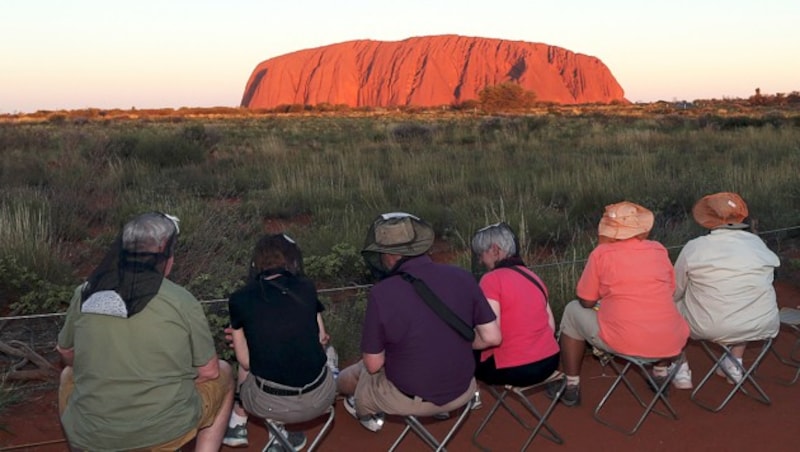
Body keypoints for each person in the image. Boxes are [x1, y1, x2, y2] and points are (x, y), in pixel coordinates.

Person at [56, 212, 234, 451]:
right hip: (165, 430)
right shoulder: (181, 300)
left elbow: (66, 352)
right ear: (165, 253)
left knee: (67, 375)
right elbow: (209, 371)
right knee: (223, 372)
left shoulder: (85, 292)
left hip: (93, 433)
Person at [337, 212, 502, 431]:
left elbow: (373, 364)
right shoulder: (463, 276)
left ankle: (361, 410)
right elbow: (492, 337)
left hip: (409, 398)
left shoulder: (382, 293)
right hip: (464, 391)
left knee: (353, 376)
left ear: (388, 254)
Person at [553, 201, 689, 406]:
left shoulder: (601, 254)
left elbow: (587, 301)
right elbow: (669, 290)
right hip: (670, 340)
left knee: (572, 310)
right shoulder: (658, 249)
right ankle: (660, 373)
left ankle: (571, 385)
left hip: (625, 340)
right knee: (660, 309)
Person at [223, 233, 336, 450]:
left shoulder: (239, 298)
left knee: (250, 365)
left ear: (256, 264)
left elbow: (245, 362)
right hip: (321, 399)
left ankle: (238, 424)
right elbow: (321, 339)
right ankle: (284, 432)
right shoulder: (306, 287)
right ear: (291, 261)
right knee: (329, 352)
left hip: (269, 404)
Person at [671, 192, 780, 388]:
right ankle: (734, 363)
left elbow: (675, 290)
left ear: (709, 217)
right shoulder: (757, 243)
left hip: (711, 325)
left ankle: (681, 371)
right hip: (762, 323)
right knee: (746, 295)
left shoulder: (695, 247)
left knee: (667, 306)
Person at [470, 222, 560, 387]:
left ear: (495, 250)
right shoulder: (533, 276)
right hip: (549, 362)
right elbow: (551, 327)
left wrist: (467, 340)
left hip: (514, 369)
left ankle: (466, 398)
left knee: (461, 346)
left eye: (481, 254)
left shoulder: (491, 280)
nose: (480, 260)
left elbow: (491, 338)